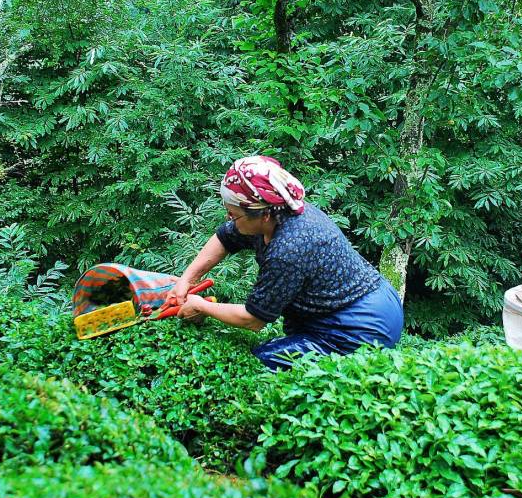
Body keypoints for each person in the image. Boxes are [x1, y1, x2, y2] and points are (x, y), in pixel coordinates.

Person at [169, 155, 404, 371]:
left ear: (264, 214)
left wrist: (202, 306)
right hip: (356, 301)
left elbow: (253, 320)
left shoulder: (288, 249)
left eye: (234, 215)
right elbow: (225, 238)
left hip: (364, 324)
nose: (229, 220)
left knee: (261, 363)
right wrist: (187, 279)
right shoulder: (277, 210)